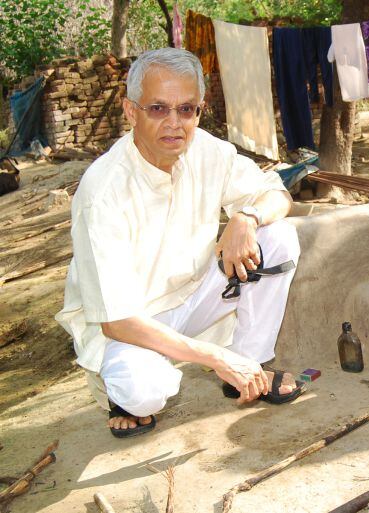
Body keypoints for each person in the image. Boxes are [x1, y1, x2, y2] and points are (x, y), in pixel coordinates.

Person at [55, 48, 304, 438]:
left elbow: (279, 195)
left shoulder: (206, 150)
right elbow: (117, 319)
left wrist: (245, 217)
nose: (174, 123)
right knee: (144, 392)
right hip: (130, 325)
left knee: (278, 237)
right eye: (158, 108)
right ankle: (117, 389)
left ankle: (248, 367)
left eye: (186, 109)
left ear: (199, 111)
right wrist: (215, 356)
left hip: (192, 296)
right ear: (131, 111)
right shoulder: (103, 190)